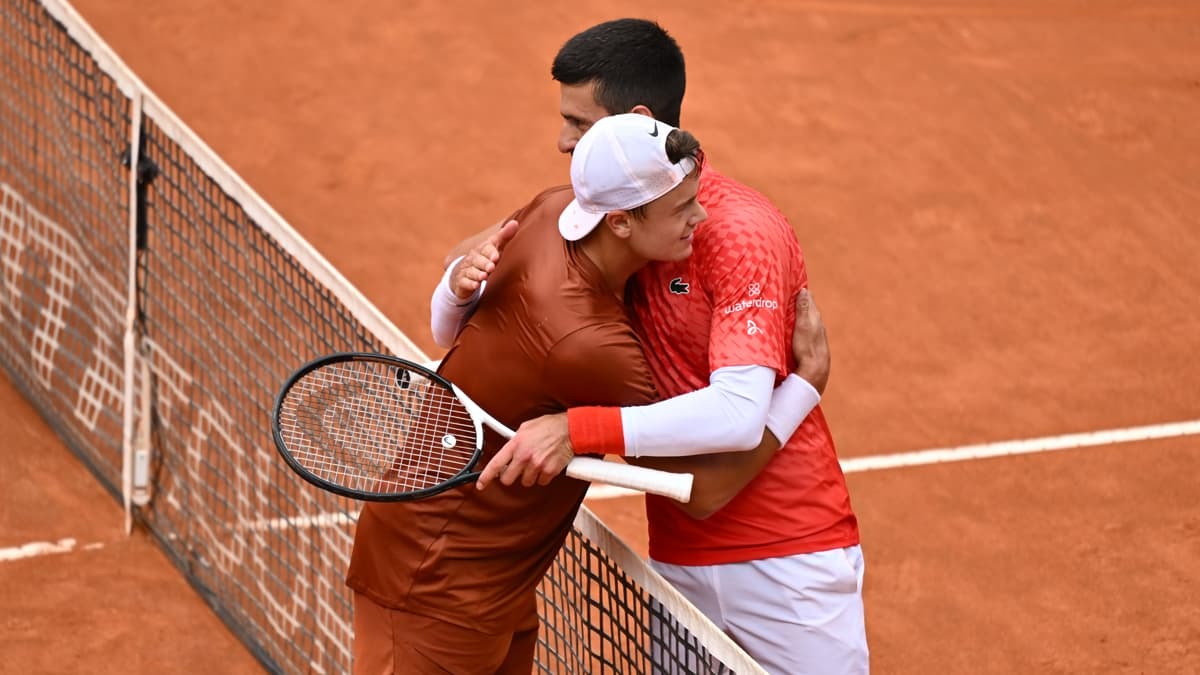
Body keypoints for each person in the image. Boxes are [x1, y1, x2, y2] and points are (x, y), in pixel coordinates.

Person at [435, 18, 867, 675]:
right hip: (681, 548)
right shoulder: (601, 216)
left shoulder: (737, 232)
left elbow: (737, 414)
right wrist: (461, 280)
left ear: (634, 123)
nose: (562, 141)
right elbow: (472, 278)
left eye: (579, 124)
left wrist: (575, 429)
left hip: (790, 555)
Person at [348, 114, 827, 674]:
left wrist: (453, 290)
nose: (700, 217)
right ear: (620, 223)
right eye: (680, 209)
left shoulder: (552, 209)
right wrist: (802, 387)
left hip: (493, 582)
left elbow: (454, 331)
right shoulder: (594, 348)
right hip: (433, 585)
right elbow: (705, 491)